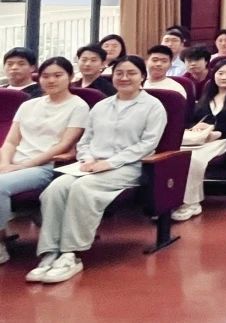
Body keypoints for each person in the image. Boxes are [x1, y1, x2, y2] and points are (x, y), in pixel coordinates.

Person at [27, 55, 165, 284]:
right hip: (91, 165)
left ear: (142, 76)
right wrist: (88, 158)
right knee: (55, 188)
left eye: (131, 73)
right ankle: (50, 251)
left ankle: (70, 254)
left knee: (82, 188)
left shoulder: (153, 107)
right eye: (119, 73)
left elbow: (147, 144)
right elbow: (85, 141)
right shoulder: (101, 106)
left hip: (128, 166)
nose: (124, 77)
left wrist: (109, 163)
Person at [0, 57, 89, 265]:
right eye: (46, 76)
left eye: (58, 75)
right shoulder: (28, 105)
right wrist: (4, 164)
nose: (51, 80)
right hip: (13, 163)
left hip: (45, 166)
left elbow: (63, 145)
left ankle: (1, 243)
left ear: (70, 77)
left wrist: (22, 166)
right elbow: (11, 141)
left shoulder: (78, 106)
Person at [172, 58, 226, 222]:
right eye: (220, 73)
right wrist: (197, 127)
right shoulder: (207, 96)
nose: (224, 77)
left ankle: (192, 203)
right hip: (199, 139)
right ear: (213, 75)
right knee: (176, 156)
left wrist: (218, 132)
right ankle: (172, 200)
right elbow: (193, 119)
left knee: (195, 159)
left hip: (224, 140)